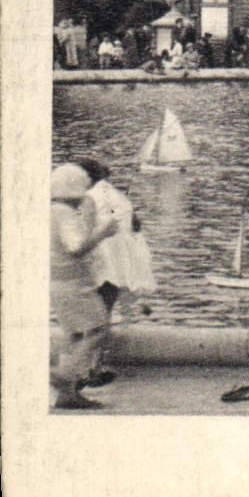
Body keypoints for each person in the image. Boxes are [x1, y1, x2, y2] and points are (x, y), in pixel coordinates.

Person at [71, 156, 157, 388]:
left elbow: (86, 234)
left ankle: (82, 370)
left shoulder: (88, 198)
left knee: (88, 317)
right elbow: (136, 225)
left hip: (99, 262)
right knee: (104, 313)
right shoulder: (118, 196)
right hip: (121, 263)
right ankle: (94, 366)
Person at [50, 163, 121, 408]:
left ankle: (67, 393)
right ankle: (65, 377)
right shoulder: (65, 215)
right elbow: (76, 246)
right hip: (73, 283)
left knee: (74, 334)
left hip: (55, 282)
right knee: (99, 328)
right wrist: (104, 232)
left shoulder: (49, 211)